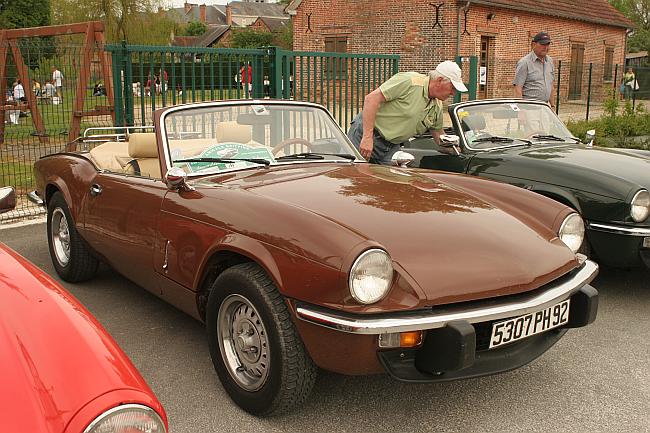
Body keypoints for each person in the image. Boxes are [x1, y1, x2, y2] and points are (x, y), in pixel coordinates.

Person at [347, 60, 467, 164]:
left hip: (391, 146)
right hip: (367, 135)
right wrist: (367, 138)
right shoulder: (410, 81)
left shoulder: (437, 105)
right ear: (439, 80)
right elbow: (371, 99)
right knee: (358, 178)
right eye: (452, 88)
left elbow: (438, 135)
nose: (453, 93)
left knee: (392, 183)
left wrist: (457, 149)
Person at [512, 32, 555, 108]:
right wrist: (521, 112)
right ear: (534, 44)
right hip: (529, 109)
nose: (546, 47)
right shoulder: (524, 63)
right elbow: (518, 89)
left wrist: (552, 106)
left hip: (545, 108)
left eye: (547, 44)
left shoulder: (550, 62)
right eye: (543, 44)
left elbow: (551, 85)